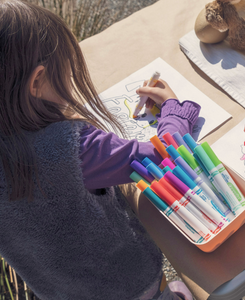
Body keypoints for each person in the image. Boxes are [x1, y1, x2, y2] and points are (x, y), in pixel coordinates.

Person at [0, 1, 200, 299]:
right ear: (37, 81)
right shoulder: (72, 149)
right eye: (66, 74)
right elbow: (166, 157)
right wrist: (174, 111)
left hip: (60, 290)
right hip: (129, 286)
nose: (71, 83)